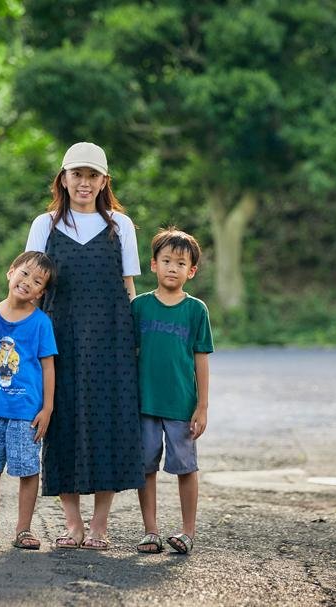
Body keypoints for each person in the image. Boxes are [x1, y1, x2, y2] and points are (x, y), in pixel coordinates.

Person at [25, 141, 144, 550]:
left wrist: (137, 342)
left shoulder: (119, 226)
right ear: (64, 178)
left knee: (109, 422)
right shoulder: (45, 225)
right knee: (61, 423)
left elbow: (129, 289)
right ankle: (72, 523)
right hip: (59, 338)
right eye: (77, 174)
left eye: (93, 176)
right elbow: (31, 288)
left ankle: (99, 525)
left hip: (112, 339)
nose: (84, 183)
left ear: (104, 181)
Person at [0, 251, 58, 550]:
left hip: (27, 413)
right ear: (11, 272)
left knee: (27, 469)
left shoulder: (41, 323)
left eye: (37, 281)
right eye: (24, 273)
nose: (27, 282)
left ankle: (23, 530)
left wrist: (47, 408)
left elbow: (47, 367)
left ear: (41, 292)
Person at [132, 227, 213, 555]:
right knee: (145, 466)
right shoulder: (138, 307)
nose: (172, 268)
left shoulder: (196, 310)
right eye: (166, 261)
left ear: (191, 271)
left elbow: (201, 360)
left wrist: (202, 406)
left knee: (185, 467)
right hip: (145, 403)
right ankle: (150, 530)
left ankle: (187, 532)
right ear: (153, 265)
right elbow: (129, 355)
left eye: (180, 263)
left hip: (181, 405)